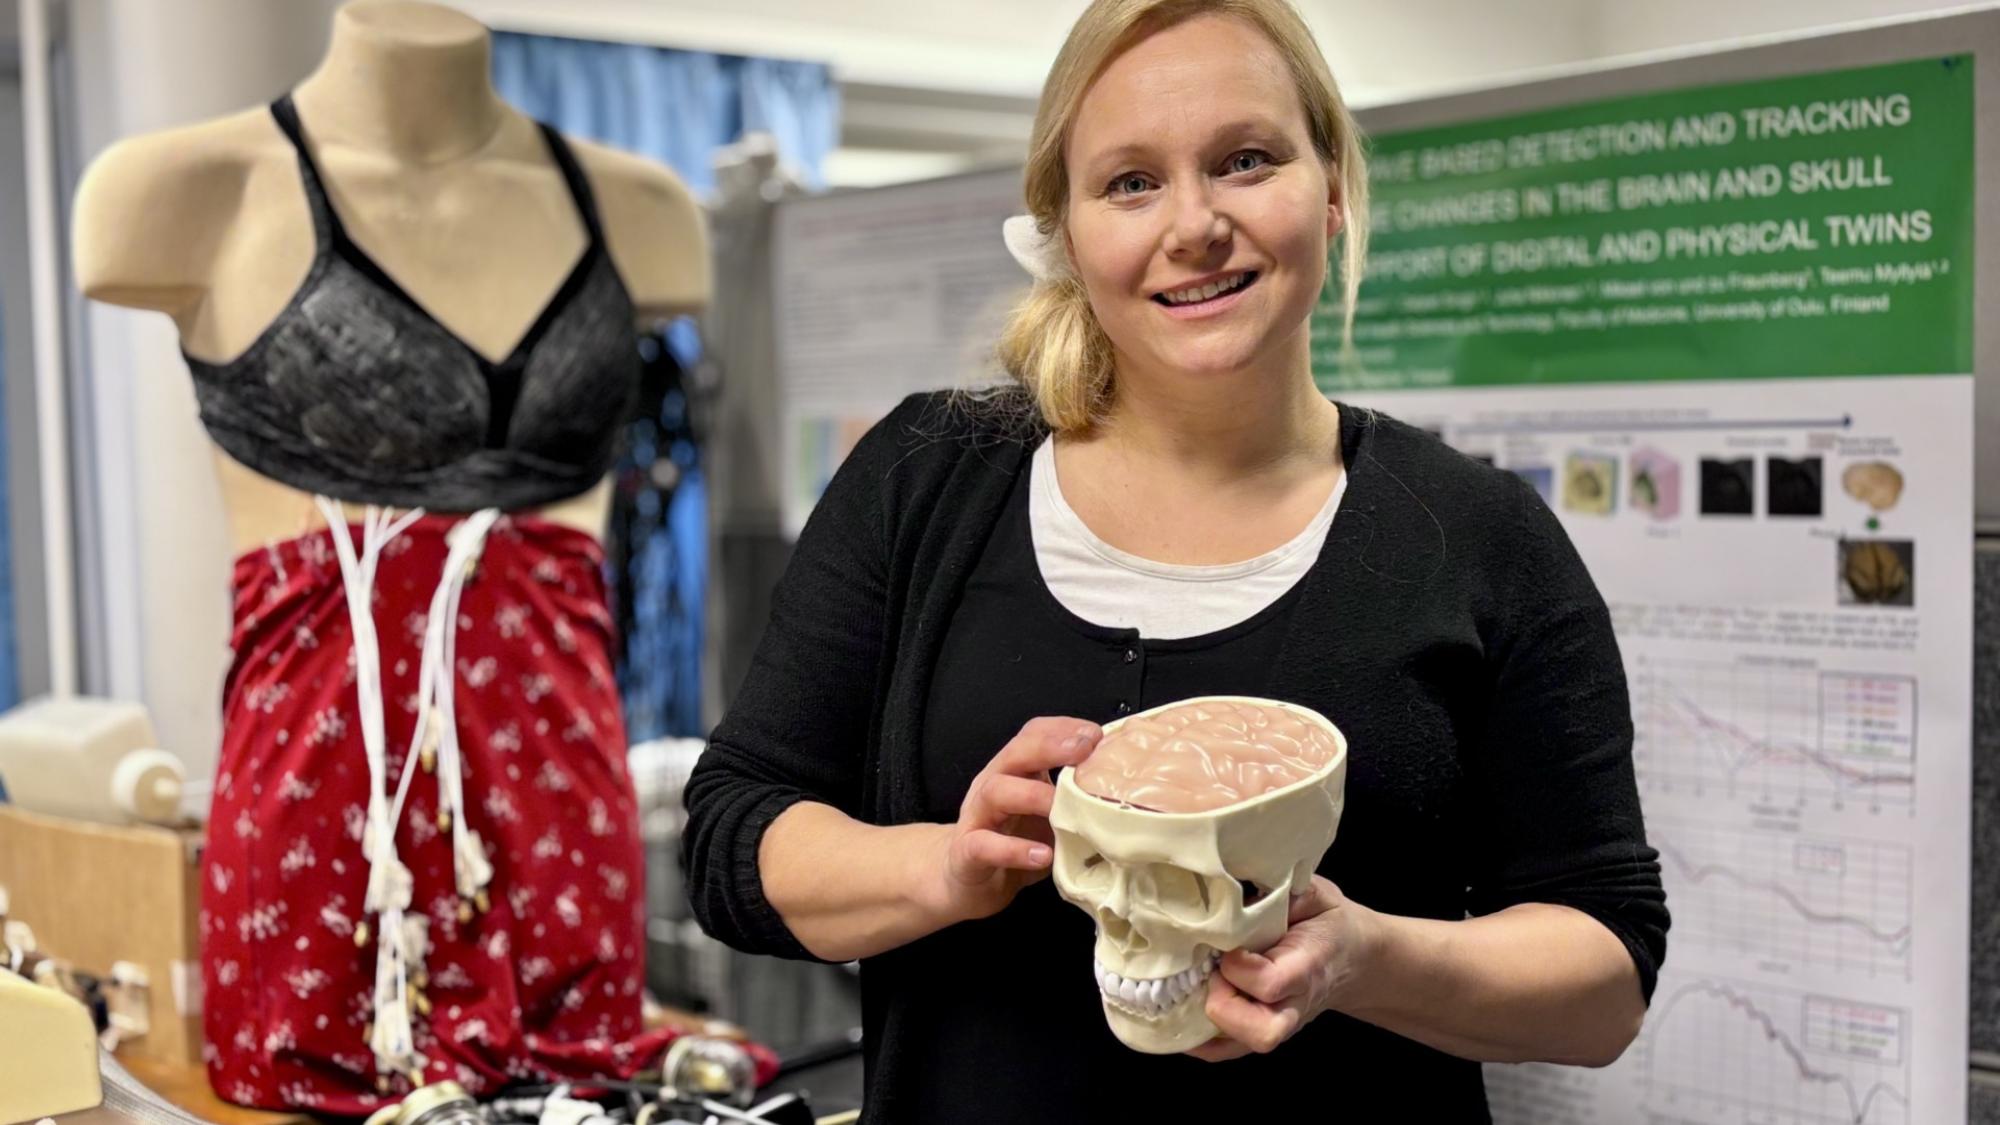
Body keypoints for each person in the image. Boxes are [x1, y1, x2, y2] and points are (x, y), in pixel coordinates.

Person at [682, 0, 1668, 1120]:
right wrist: (942, 870)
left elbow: (1605, 972)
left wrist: (1364, 960)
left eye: (1244, 161)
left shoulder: (1478, 536)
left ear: (1332, 185)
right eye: (1130, 182)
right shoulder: (924, 478)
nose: (1192, 225)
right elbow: (732, 835)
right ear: (1064, 227)